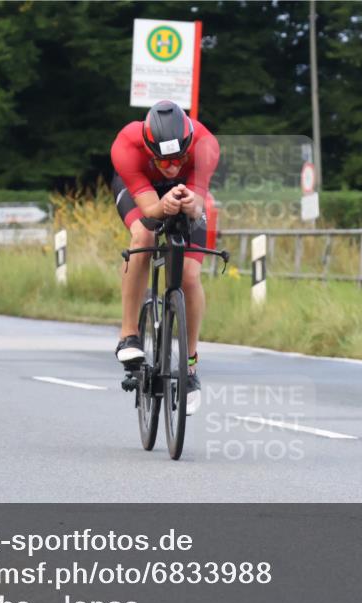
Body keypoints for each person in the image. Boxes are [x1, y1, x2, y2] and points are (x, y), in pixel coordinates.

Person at [110, 100, 219, 415]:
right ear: (148, 148)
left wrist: (187, 203)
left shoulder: (206, 144)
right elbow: (149, 211)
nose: (171, 167)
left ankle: (190, 365)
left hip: (187, 194)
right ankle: (129, 335)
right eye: (163, 161)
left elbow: (198, 208)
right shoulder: (127, 145)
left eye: (178, 159)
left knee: (189, 276)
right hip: (141, 190)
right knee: (143, 236)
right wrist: (163, 204)